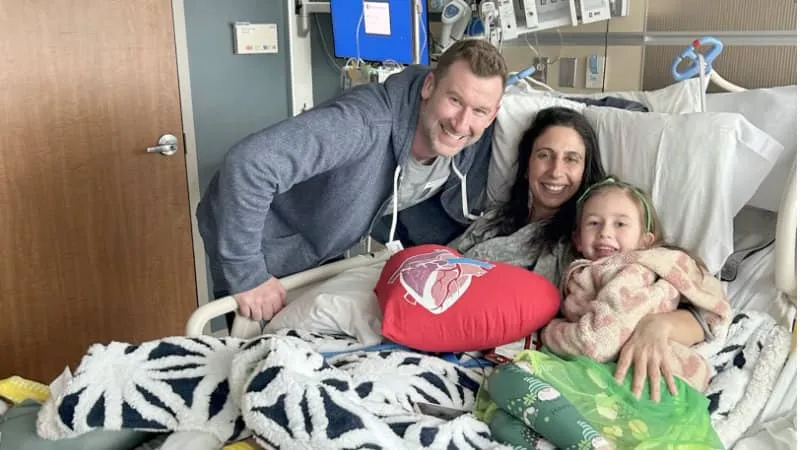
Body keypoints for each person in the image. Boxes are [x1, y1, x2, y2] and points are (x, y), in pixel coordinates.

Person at [196, 39, 508, 323]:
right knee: (255, 353)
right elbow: (248, 166)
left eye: (479, 111)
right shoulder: (362, 124)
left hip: (321, 241)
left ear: (492, 114)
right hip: (254, 240)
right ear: (429, 87)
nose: (461, 123)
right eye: (454, 100)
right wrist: (247, 274)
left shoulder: (473, 142)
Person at [450, 107, 714, 400]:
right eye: (544, 155)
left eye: (571, 159)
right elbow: (445, 261)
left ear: (585, 169)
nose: (555, 171)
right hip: (454, 330)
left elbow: (700, 306)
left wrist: (658, 326)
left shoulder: (593, 243)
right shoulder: (493, 221)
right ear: (527, 165)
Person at [540, 176, 732, 397]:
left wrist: (550, 331)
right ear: (577, 240)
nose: (605, 232)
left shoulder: (633, 271)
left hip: (650, 383)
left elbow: (597, 343)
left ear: (645, 241)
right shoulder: (581, 272)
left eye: (620, 224)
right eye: (594, 223)